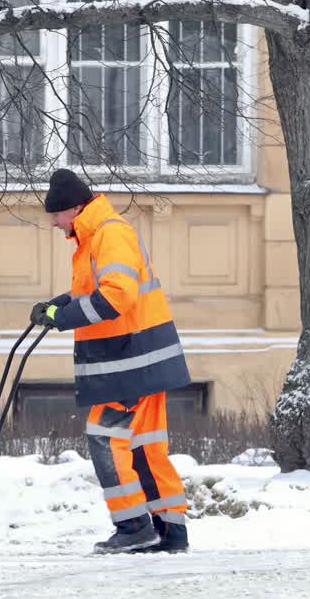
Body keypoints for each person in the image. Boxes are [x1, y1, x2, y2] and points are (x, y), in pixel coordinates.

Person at [30, 168, 192, 554]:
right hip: (141, 358)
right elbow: (97, 290)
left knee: (105, 436)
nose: (53, 223)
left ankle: (133, 526)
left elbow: (118, 296)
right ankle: (170, 531)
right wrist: (60, 304)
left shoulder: (109, 233)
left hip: (129, 360)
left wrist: (62, 318)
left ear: (71, 209)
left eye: (55, 215)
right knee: (144, 446)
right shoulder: (96, 236)